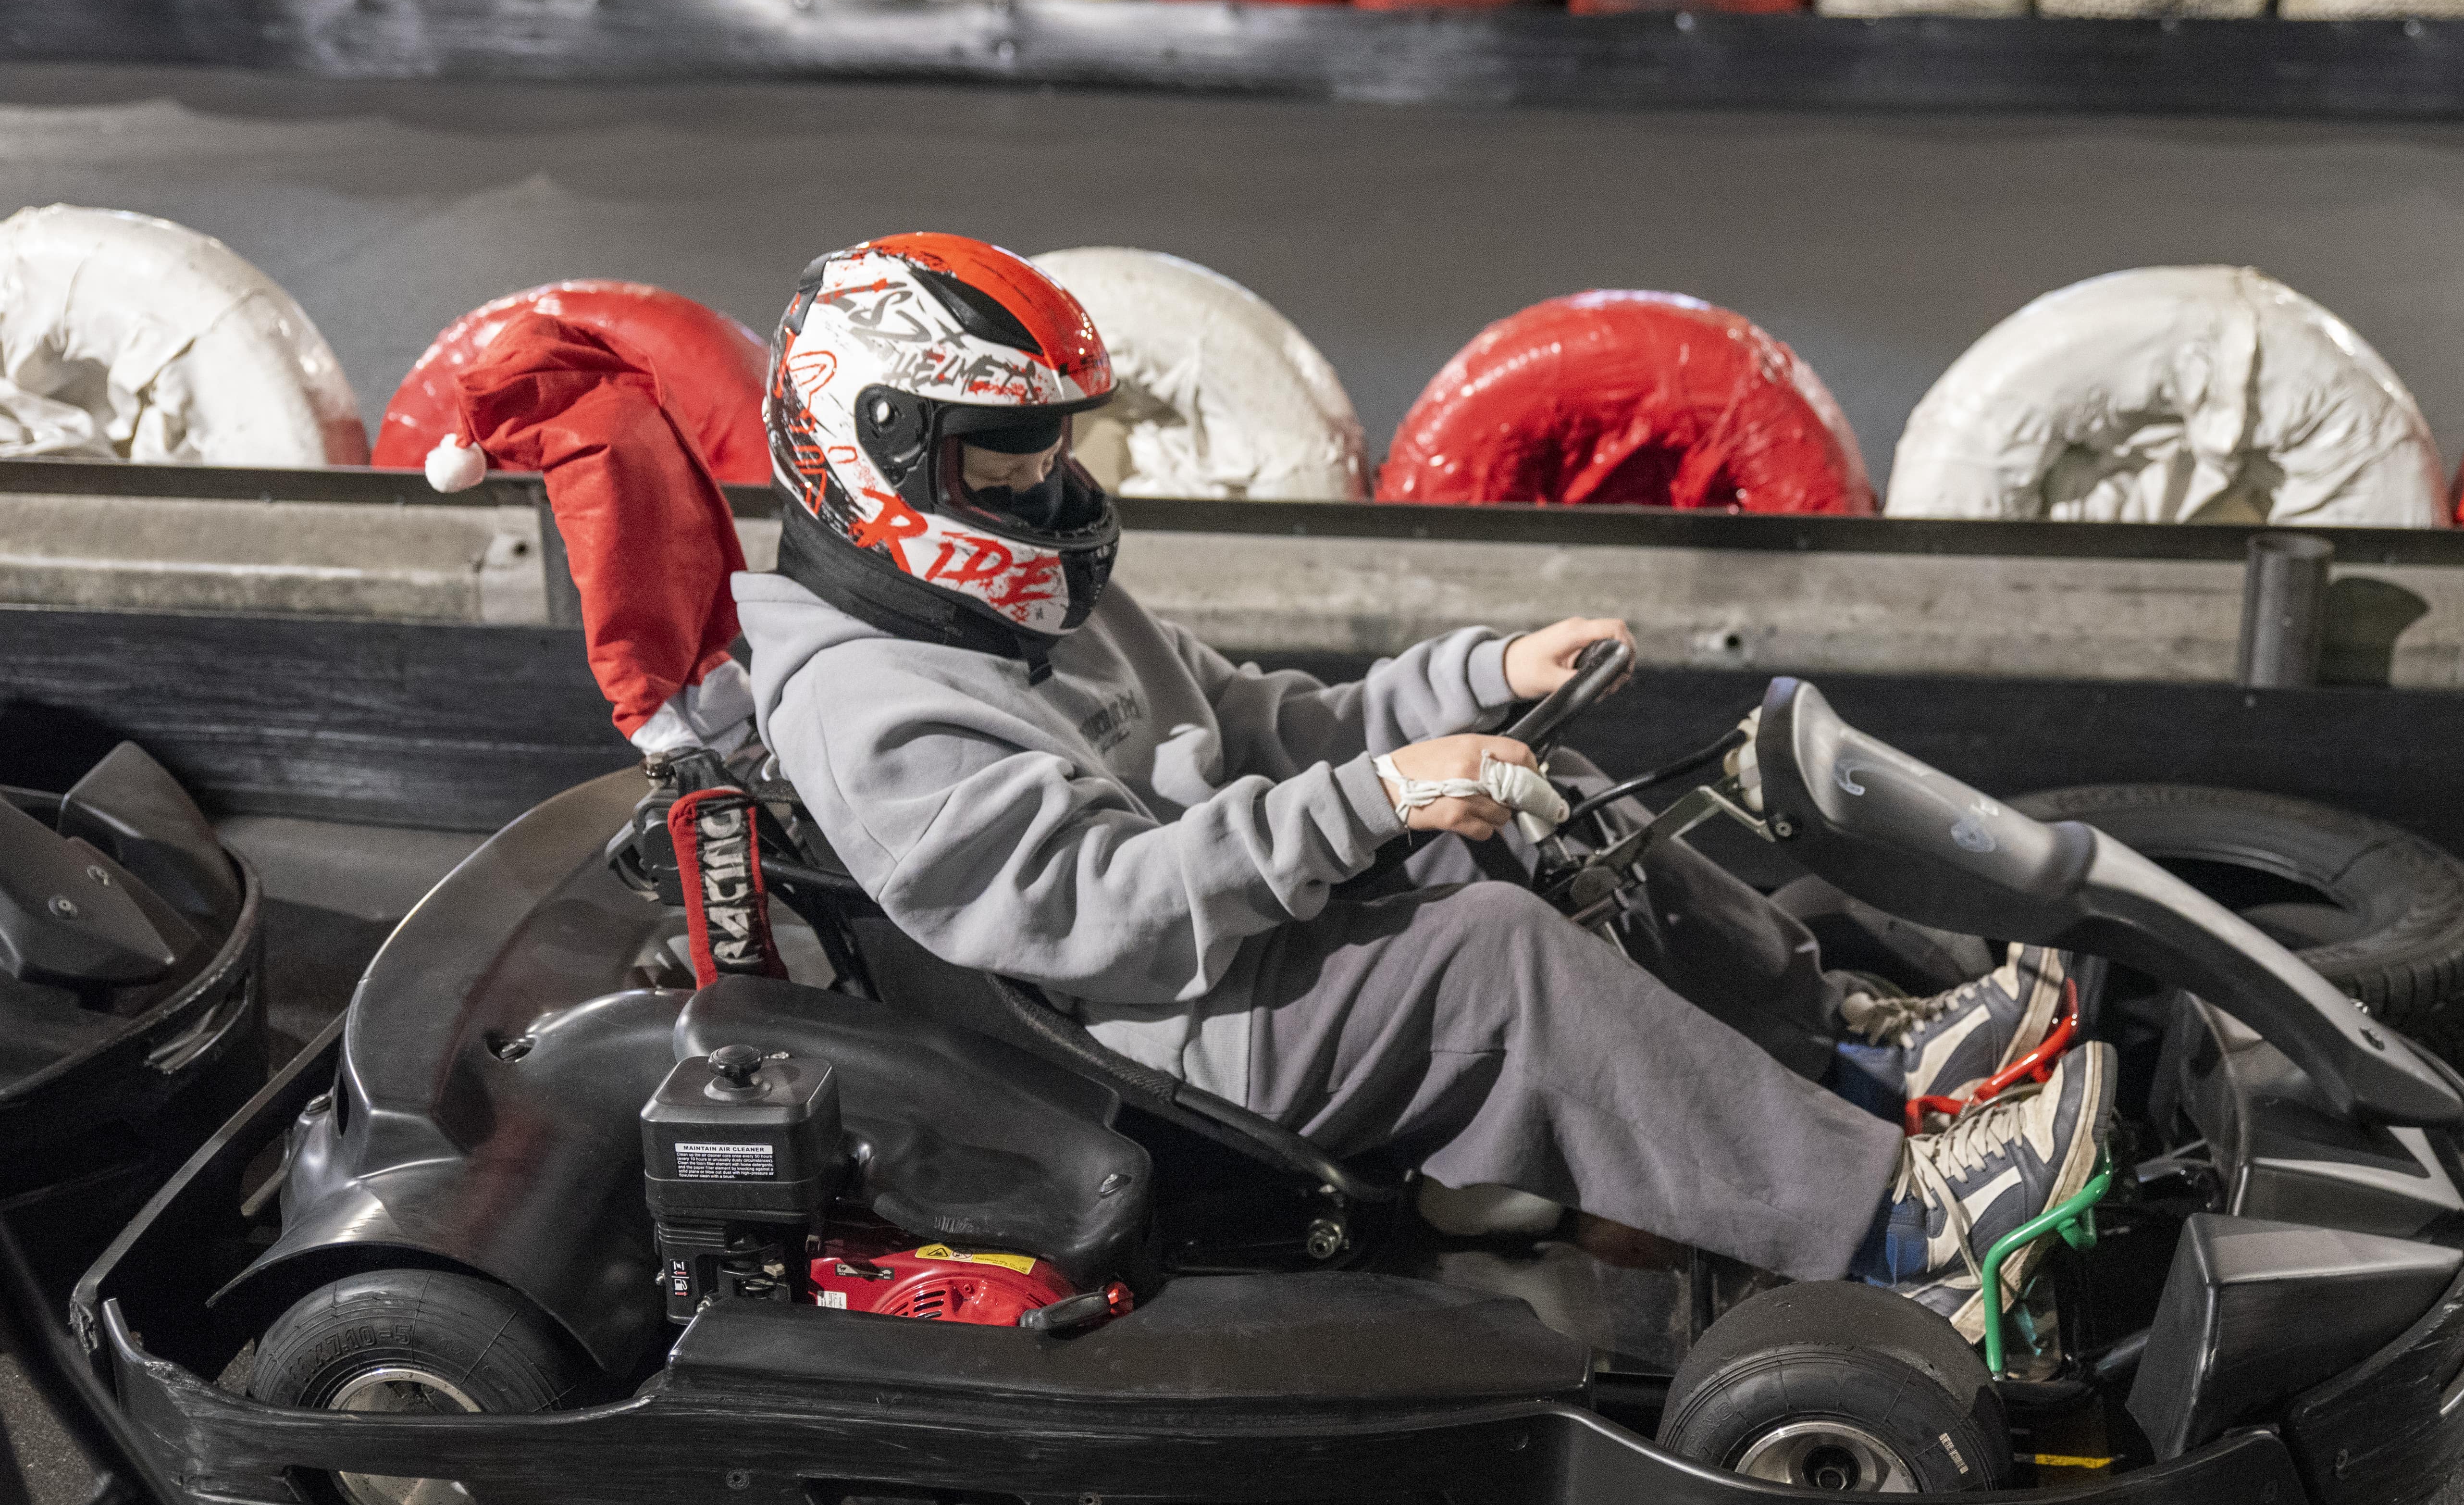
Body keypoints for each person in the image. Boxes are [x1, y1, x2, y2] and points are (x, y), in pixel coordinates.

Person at [732, 234, 2112, 1339]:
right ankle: (1901, 1231)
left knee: (1533, 796)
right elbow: (1106, 909)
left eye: (1051, 452)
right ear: (881, 452)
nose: (1047, 492)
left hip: (1225, 952)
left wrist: (1478, 682)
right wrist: (1375, 800)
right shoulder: (871, 709)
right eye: (1005, 461)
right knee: (1487, 960)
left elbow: (1258, 726)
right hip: (1148, 1046)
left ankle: (1848, 1060)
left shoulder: (1013, 606)